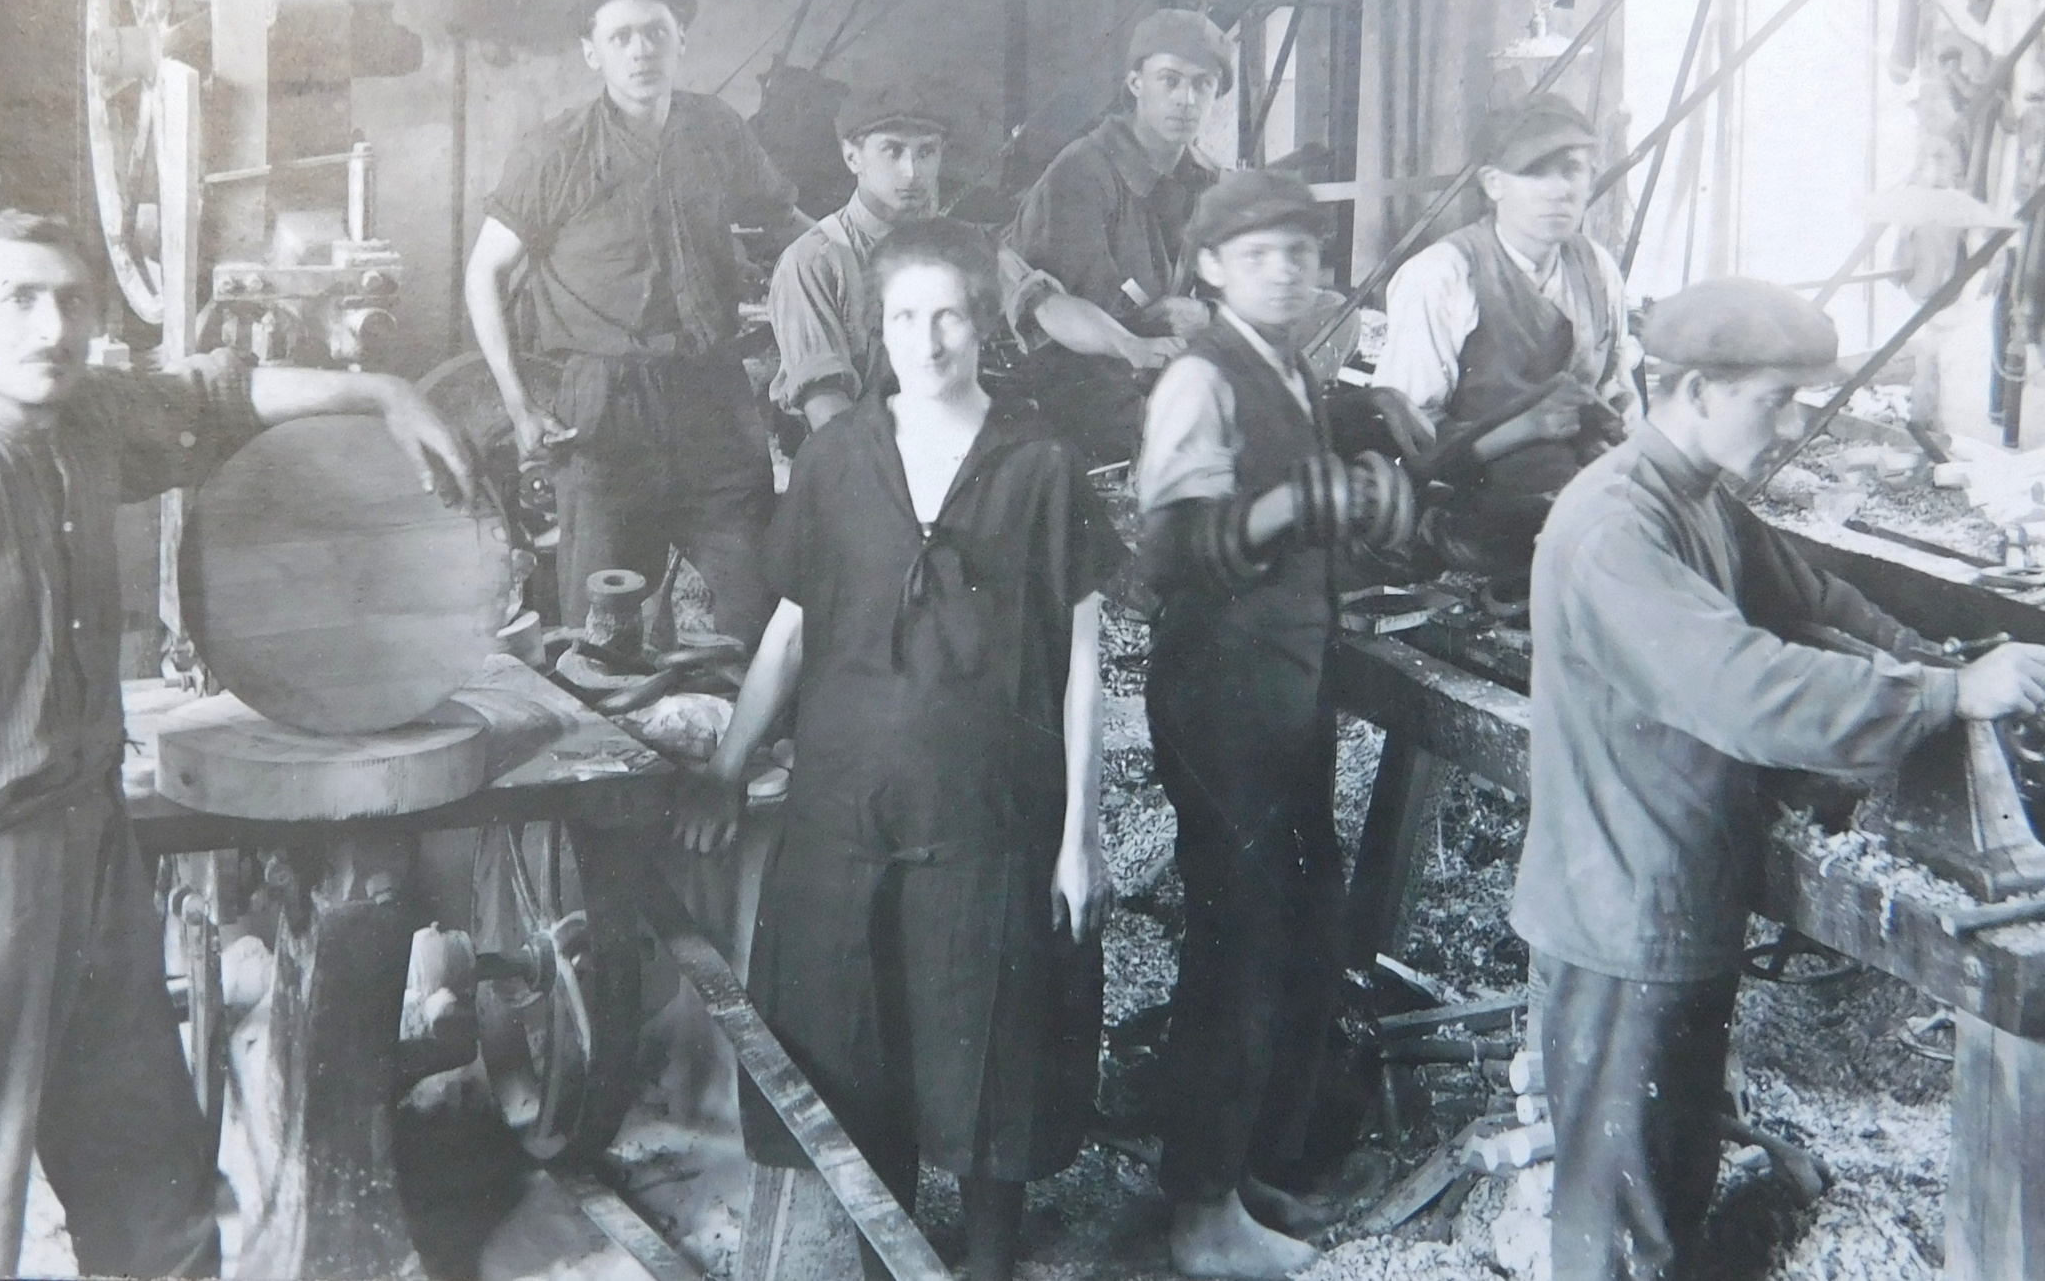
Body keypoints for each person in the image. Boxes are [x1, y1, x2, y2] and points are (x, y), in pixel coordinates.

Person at [0, 210, 474, 1277]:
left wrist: (383, 390)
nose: (52, 327)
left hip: (94, 852)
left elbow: (217, 397)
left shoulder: (86, 421)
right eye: (17, 300)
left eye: (71, 299)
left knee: (152, 1192)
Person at [1510, 276, 2045, 1281]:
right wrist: (1944, 698)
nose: (1793, 423)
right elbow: (1748, 690)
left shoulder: (1698, 500)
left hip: (1675, 887)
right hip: (1621, 909)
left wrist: (1942, 668)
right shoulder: (1614, 528)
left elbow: (1816, 602)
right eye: (1774, 399)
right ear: (1691, 390)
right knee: (1621, 1223)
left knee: (1668, 1178)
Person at [676, 217, 1124, 1281]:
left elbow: (1082, 663)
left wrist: (1081, 836)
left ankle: (990, 1259)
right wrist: (727, 769)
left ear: (985, 324)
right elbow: (790, 631)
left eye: (949, 316)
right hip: (849, 806)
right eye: (904, 317)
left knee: (988, 1030)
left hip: (989, 813)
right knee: (855, 1032)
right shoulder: (837, 459)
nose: (926, 341)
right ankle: (888, 1256)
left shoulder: (1041, 465)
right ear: (877, 326)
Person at [1134, 171, 1418, 1280]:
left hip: (1284, 686)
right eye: (1259, 256)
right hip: (1219, 693)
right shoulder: (1200, 379)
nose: (1288, 272)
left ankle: (1251, 1170)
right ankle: (1200, 1214)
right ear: (1210, 269)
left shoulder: (1291, 367)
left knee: (1300, 920)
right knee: (1239, 942)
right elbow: (1164, 553)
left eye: (1301, 252)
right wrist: (1289, 507)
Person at [463, 0, 808, 638]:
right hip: (606, 408)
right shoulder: (555, 151)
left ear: (681, 41)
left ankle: (749, 708)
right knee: (605, 623)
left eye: (656, 33)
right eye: (620, 37)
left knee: (757, 603)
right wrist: (517, 403)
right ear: (591, 53)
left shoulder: (716, 129)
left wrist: (870, 260)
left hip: (714, 396)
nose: (641, 50)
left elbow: (786, 222)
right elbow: (485, 273)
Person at [766, 83, 1182, 433]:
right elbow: (827, 409)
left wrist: (1129, 345)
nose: (911, 172)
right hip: (859, 463)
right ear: (852, 157)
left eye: (926, 152)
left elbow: (1045, 305)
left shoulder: (964, 245)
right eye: (892, 152)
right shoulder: (814, 262)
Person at [1371, 92, 1640, 601]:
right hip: (1473, 510)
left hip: (1581, 489)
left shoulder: (1597, 266)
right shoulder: (1443, 275)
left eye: (1573, 169)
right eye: (1535, 172)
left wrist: (1623, 409)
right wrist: (1524, 430)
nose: (1560, 190)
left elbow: (1616, 382)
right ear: (1493, 183)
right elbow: (1408, 446)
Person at [1006, 9, 1233, 463]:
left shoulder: (1208, 181)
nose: (1186, 100)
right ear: (1135, 83)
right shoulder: (1083, 172)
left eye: (1202, 84)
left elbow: (1233, 291)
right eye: (1170, 80)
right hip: (1077, 374)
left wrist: (1206, 313)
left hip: (1160, 362)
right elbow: (1069, 322)